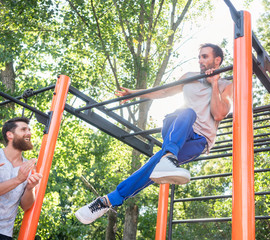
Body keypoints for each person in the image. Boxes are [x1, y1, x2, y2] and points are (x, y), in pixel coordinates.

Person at [75, 43, 233, 224]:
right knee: (188, 112)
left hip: (198, 140)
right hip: (177, 125)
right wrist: (135, 93)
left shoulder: (226, 85)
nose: (200, 61)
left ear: (217, 60)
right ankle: (169, 157)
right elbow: (164, 91)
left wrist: (214, 85)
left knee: (156, 164)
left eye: (205, 57)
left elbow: (219, 114)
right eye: (199, 57)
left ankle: (107, 201)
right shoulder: (190, 77)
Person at [0, 117, 43, 240]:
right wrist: (18, 180)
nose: (29, 133)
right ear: (10, 135)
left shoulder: (29, 167)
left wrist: (30, 188)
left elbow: (25, 206)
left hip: (4, 233)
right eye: (23, 129)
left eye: (29, 130)